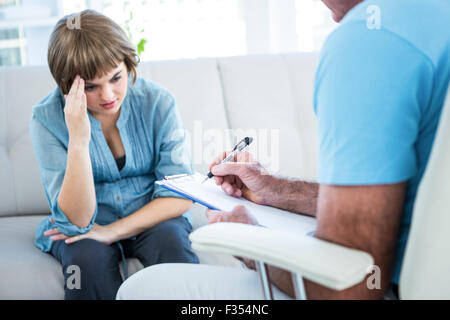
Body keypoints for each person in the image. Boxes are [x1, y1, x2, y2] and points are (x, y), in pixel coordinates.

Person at [116, 0, 450, 300]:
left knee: (143, 289)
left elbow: (348, 290)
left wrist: (250, 244)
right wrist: (276, 189)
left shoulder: (367, 39)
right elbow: (395, 200)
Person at [30, 10, 199, 300]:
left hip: (151, 216)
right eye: (91, 86)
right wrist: (79, 140)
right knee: (85, 263)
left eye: (116, 78)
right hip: (87, 225)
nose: (108, 95)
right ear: (67, 85)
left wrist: (112, 232)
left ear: (128, 64)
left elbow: (181, 193)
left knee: (172, 244)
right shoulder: (46, 119)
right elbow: (77, 222)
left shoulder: (157, 103)